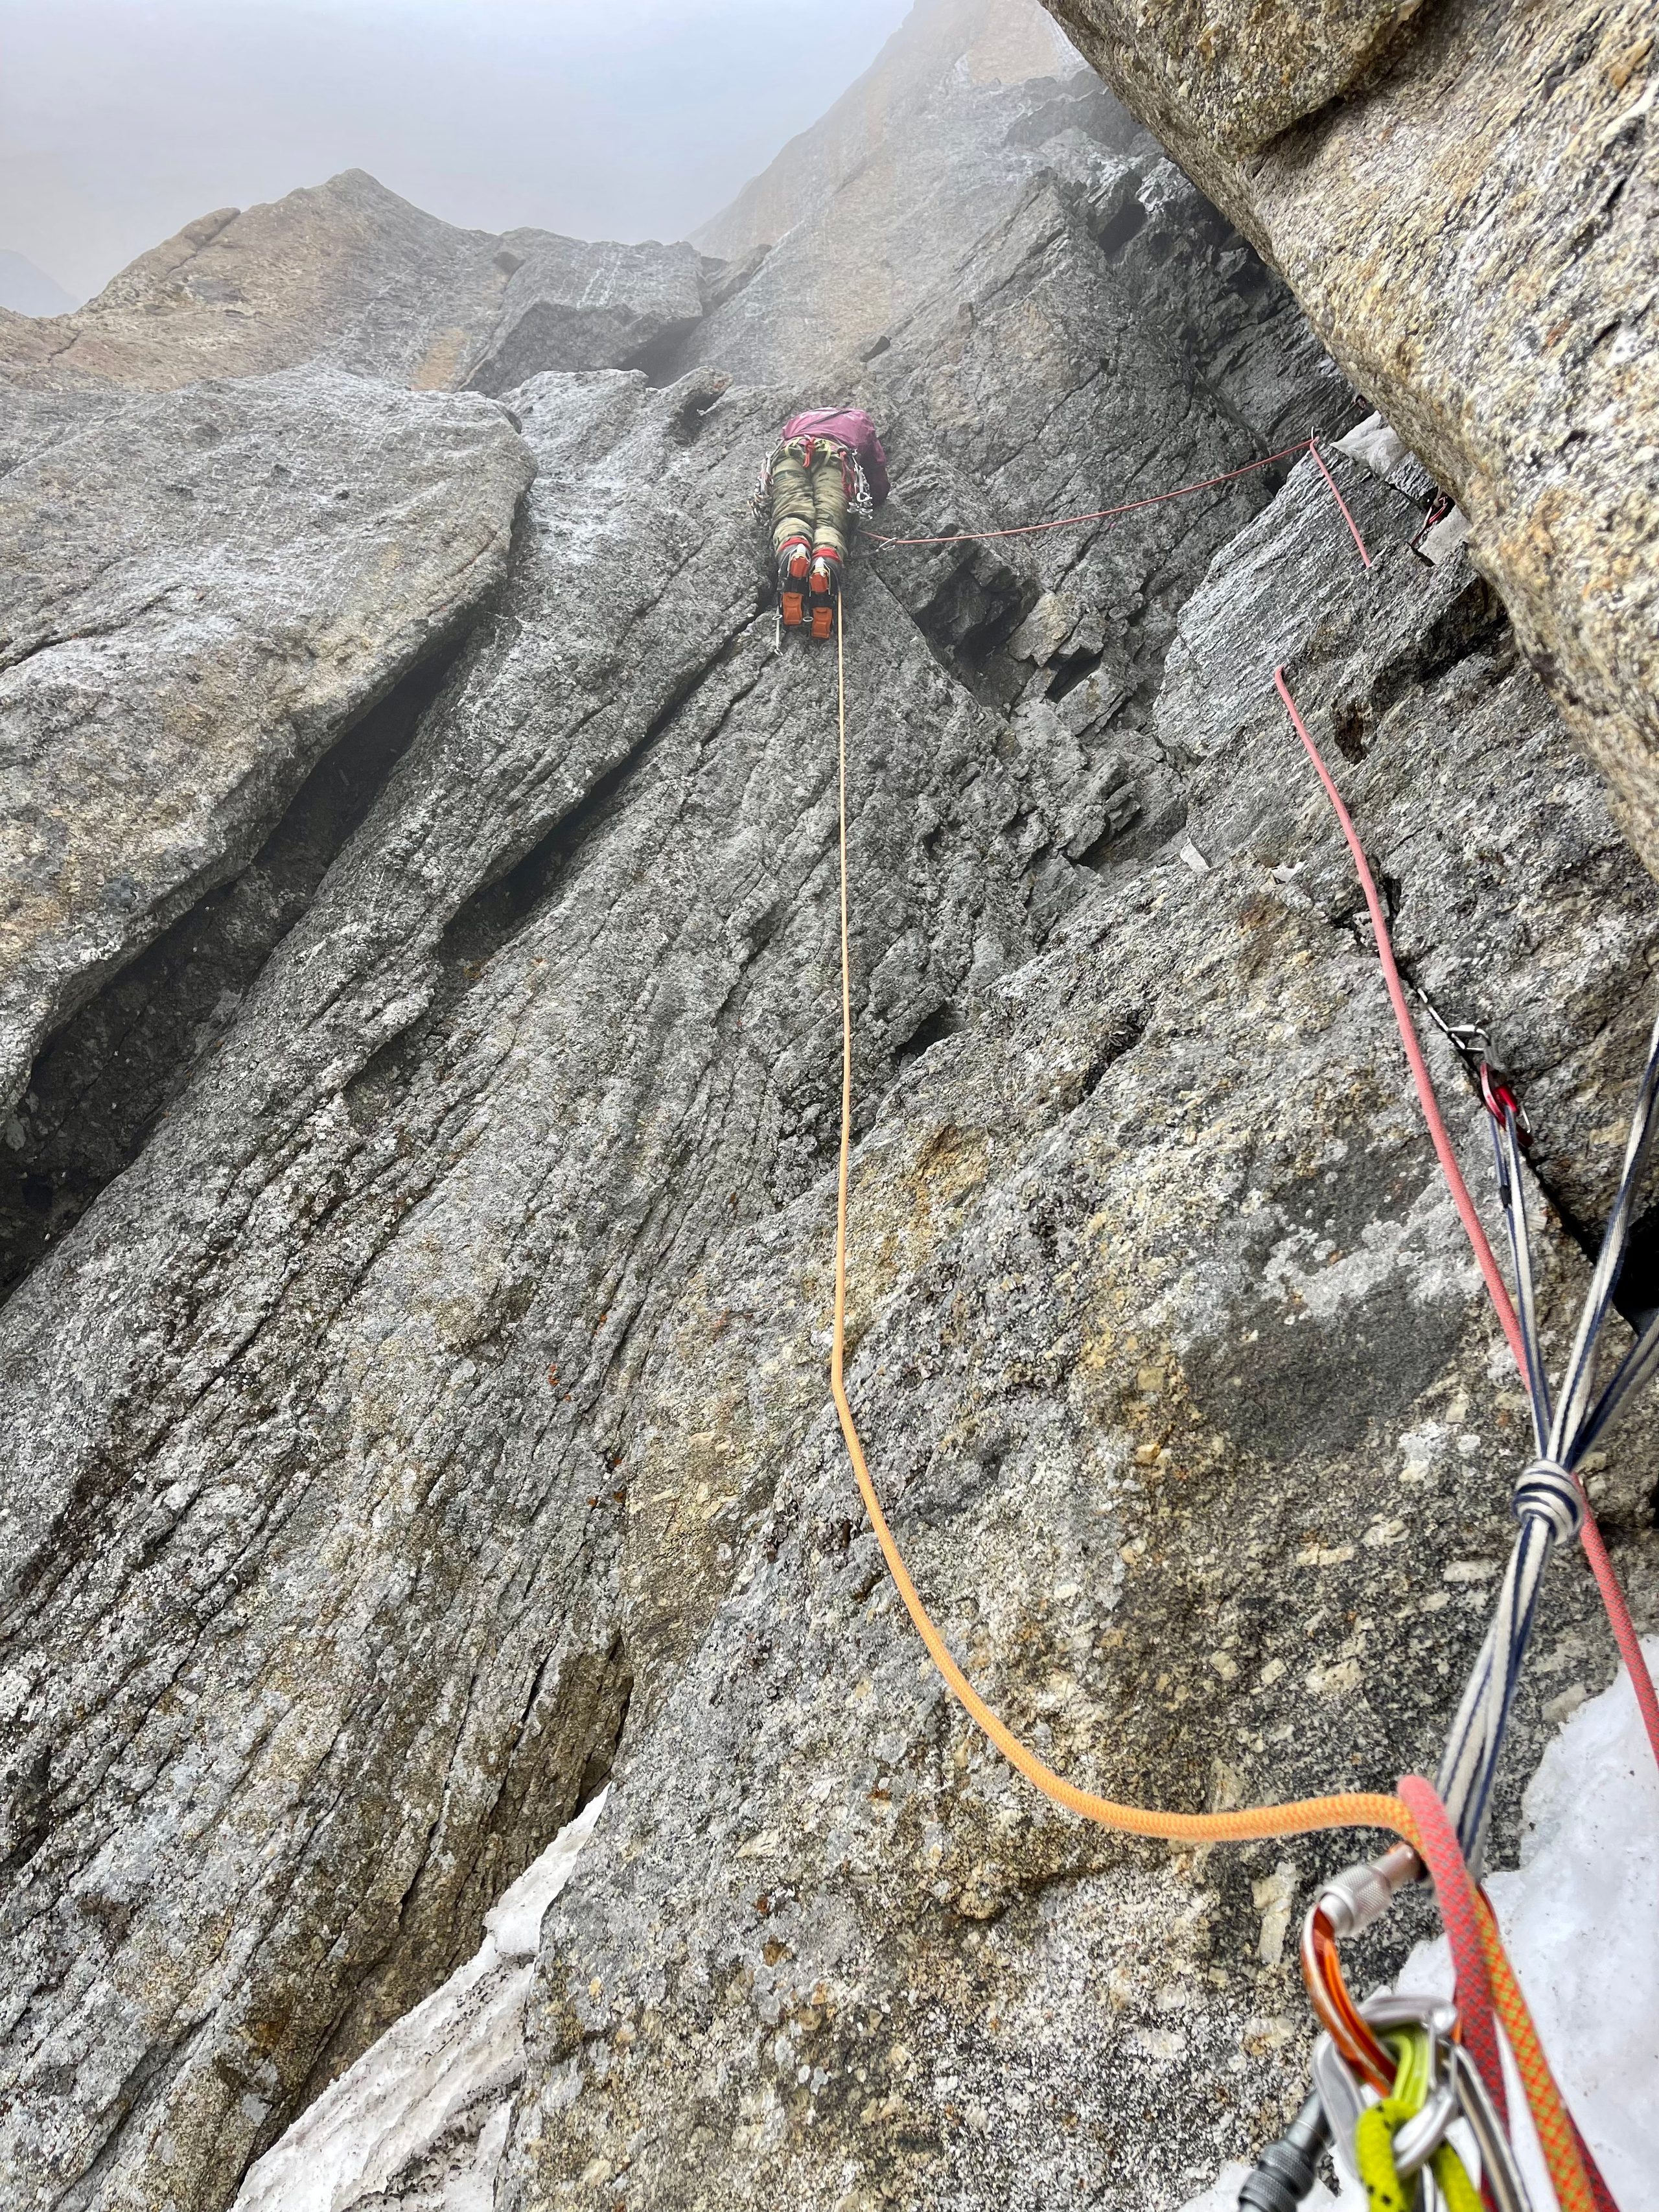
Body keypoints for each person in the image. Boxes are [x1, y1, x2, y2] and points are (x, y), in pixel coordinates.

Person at [758, 407, 890, 639]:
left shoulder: (799, 419)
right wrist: (877, 497)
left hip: (792, 454)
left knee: (791, 514)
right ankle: (823, 563)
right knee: (830, 523)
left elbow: (783, 440)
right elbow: (876, 468)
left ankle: (796, 549)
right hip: (837, 460)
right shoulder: (860, 420)